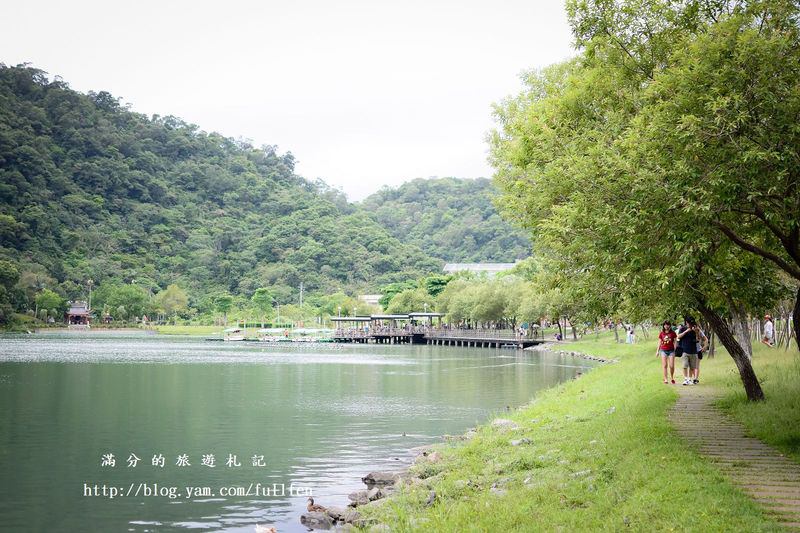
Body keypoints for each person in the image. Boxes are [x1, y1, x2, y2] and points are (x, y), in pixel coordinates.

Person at [676, 316, 699, 386]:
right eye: (690, 323)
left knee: (692, 367)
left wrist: (696, 332)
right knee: (685, 365)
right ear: (686, 322)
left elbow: (698, 340)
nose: (691, 325)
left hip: (693, 350)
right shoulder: (682, 328)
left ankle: (689, 379)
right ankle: (686, 379)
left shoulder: (695, 329)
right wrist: (686, 331)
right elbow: (678, 337)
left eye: (692, 323)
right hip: (684, 350)